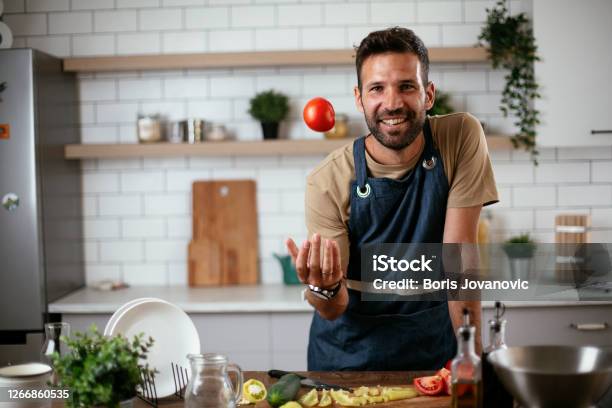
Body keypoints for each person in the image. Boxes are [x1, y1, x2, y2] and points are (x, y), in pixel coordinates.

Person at [286, 27, 499, 371]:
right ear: (359, 99)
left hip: (435, 351)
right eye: (377, 89)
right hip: (349, 360)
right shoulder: (327, 181)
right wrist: (322, 287)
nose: (392, 103)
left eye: (406, 86)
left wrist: (471, 358)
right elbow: (332, 307)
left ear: (428, 94)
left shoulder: (460, 137)